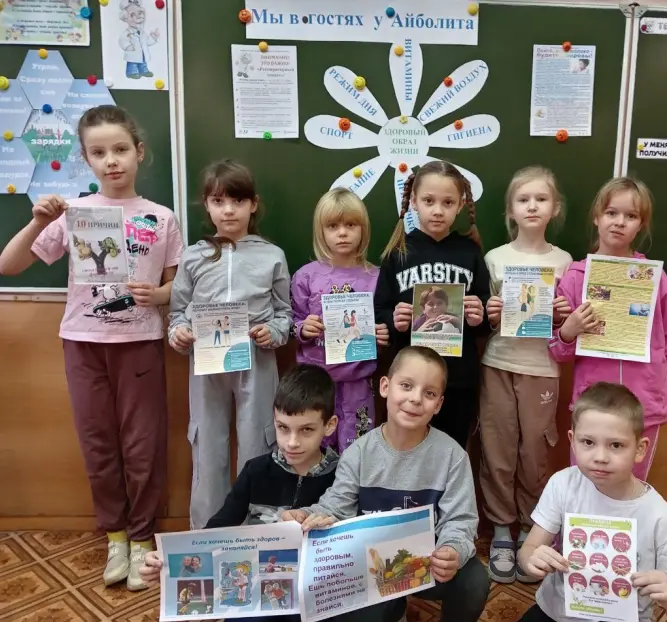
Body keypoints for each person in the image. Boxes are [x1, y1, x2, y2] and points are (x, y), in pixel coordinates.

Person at [0, 104, 183, 591]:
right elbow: (8, 265)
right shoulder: (75, 213)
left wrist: (157, 296)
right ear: (86, 159)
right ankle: (116, 536)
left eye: (120, 149)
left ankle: (142, 537)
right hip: (83, 343)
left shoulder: (161, 218)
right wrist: (38, 221)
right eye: (99, 153)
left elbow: (176, 287)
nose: (111, 161)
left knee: (142, 447)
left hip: (139, 343)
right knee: (98, 444)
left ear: (139, 152)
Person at [284, 346, 490, 622]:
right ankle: (395, 610)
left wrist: (452, 550)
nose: (415, 399)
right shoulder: (358, 453)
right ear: (385, 387)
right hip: (371, 568)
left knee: (474, 581)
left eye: (429, 393)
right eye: (406, 386)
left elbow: (460, 520)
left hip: (426, 565)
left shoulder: (453, 456)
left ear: (439, 404)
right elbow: (335, 508)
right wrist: (306, 516)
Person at [139, 363, 340, 622]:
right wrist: (167, 562)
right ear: (273, 420)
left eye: (306, 430)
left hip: (315, 594)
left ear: (330, 425)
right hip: (256, 594)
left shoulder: (341, 475)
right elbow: (217, 528)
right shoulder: (256, 470)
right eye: (283, 428)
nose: (292, 442)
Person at [168, 159, 292, 529]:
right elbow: (177, 313)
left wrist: (274, 332)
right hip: (207, 361)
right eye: (218, 201)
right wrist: (180, 333)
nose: (228, 210)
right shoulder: (194, 256)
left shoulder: (272, 255)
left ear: (253, 204)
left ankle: (258, 534)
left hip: (256, 359)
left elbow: (284, 313)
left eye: (237, 201)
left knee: (258, 445)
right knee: (207, 444)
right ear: (206, 205)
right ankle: (208, 534)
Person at [517, 382, 667, 622]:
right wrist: (532, 559)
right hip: (556, 613)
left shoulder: (660, 518)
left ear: (640, 449)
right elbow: (528, 549)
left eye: (616, 445)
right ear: (573, 441)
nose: (600, 457)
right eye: (588, 442)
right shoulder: (563, 484)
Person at [550, 177, 667, 480]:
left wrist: (664, 394)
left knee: (633, 485)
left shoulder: (655, 279)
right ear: (597, 217)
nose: (620, 222)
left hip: (644, 403)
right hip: (592, 404)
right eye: (611, 213)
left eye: (631, 215)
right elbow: (557, 350)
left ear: (641, 224)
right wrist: (569, 330)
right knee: (586, 485)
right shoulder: (576, 277)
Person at [480, 166, 574, 584]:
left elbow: (565, 325)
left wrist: (562, 313)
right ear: (510, 211)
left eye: (541, 199)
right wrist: (491, 311)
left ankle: (530, 532)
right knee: (497, 449)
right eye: (523, 200)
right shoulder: (495, 258)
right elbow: (484, 320)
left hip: (542, 368)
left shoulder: (564, 261)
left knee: (535, 453)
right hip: (498, 364)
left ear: (555, 208)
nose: (532, 206)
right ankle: (502, 528)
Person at [374, 161, 490, 449]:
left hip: (457, 379)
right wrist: (393, 321)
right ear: (414, 201)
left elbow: (486, 318)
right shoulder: (398, 252)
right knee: (406, 450)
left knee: (452, 451)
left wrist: (479, 317)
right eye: (429, 201)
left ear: (460, 205)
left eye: (447, 202)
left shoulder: (470, 252)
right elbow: (379, 311)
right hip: (409, 380)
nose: (438, 210)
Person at [291, 188, 388, 453]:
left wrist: (383, 335)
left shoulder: (377, 277)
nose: (342, 233)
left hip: (359, 381)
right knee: (315, 447)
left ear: (363, 228)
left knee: (357, 446)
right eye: (333, 226)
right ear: (320, 231)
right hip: (316, 381)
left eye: (351, 225)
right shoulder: (306, 277)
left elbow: (384, 324)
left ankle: (352, 482)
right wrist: (303, 328)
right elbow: (292, 321)